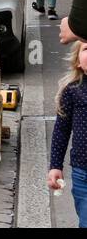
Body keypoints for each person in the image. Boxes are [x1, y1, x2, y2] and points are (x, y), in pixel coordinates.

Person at [47, 41, 87, 228]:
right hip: (82, 172)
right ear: (77, 61)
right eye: (86, 49)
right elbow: (61, 130)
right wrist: (56, 166)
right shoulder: (72, 90)